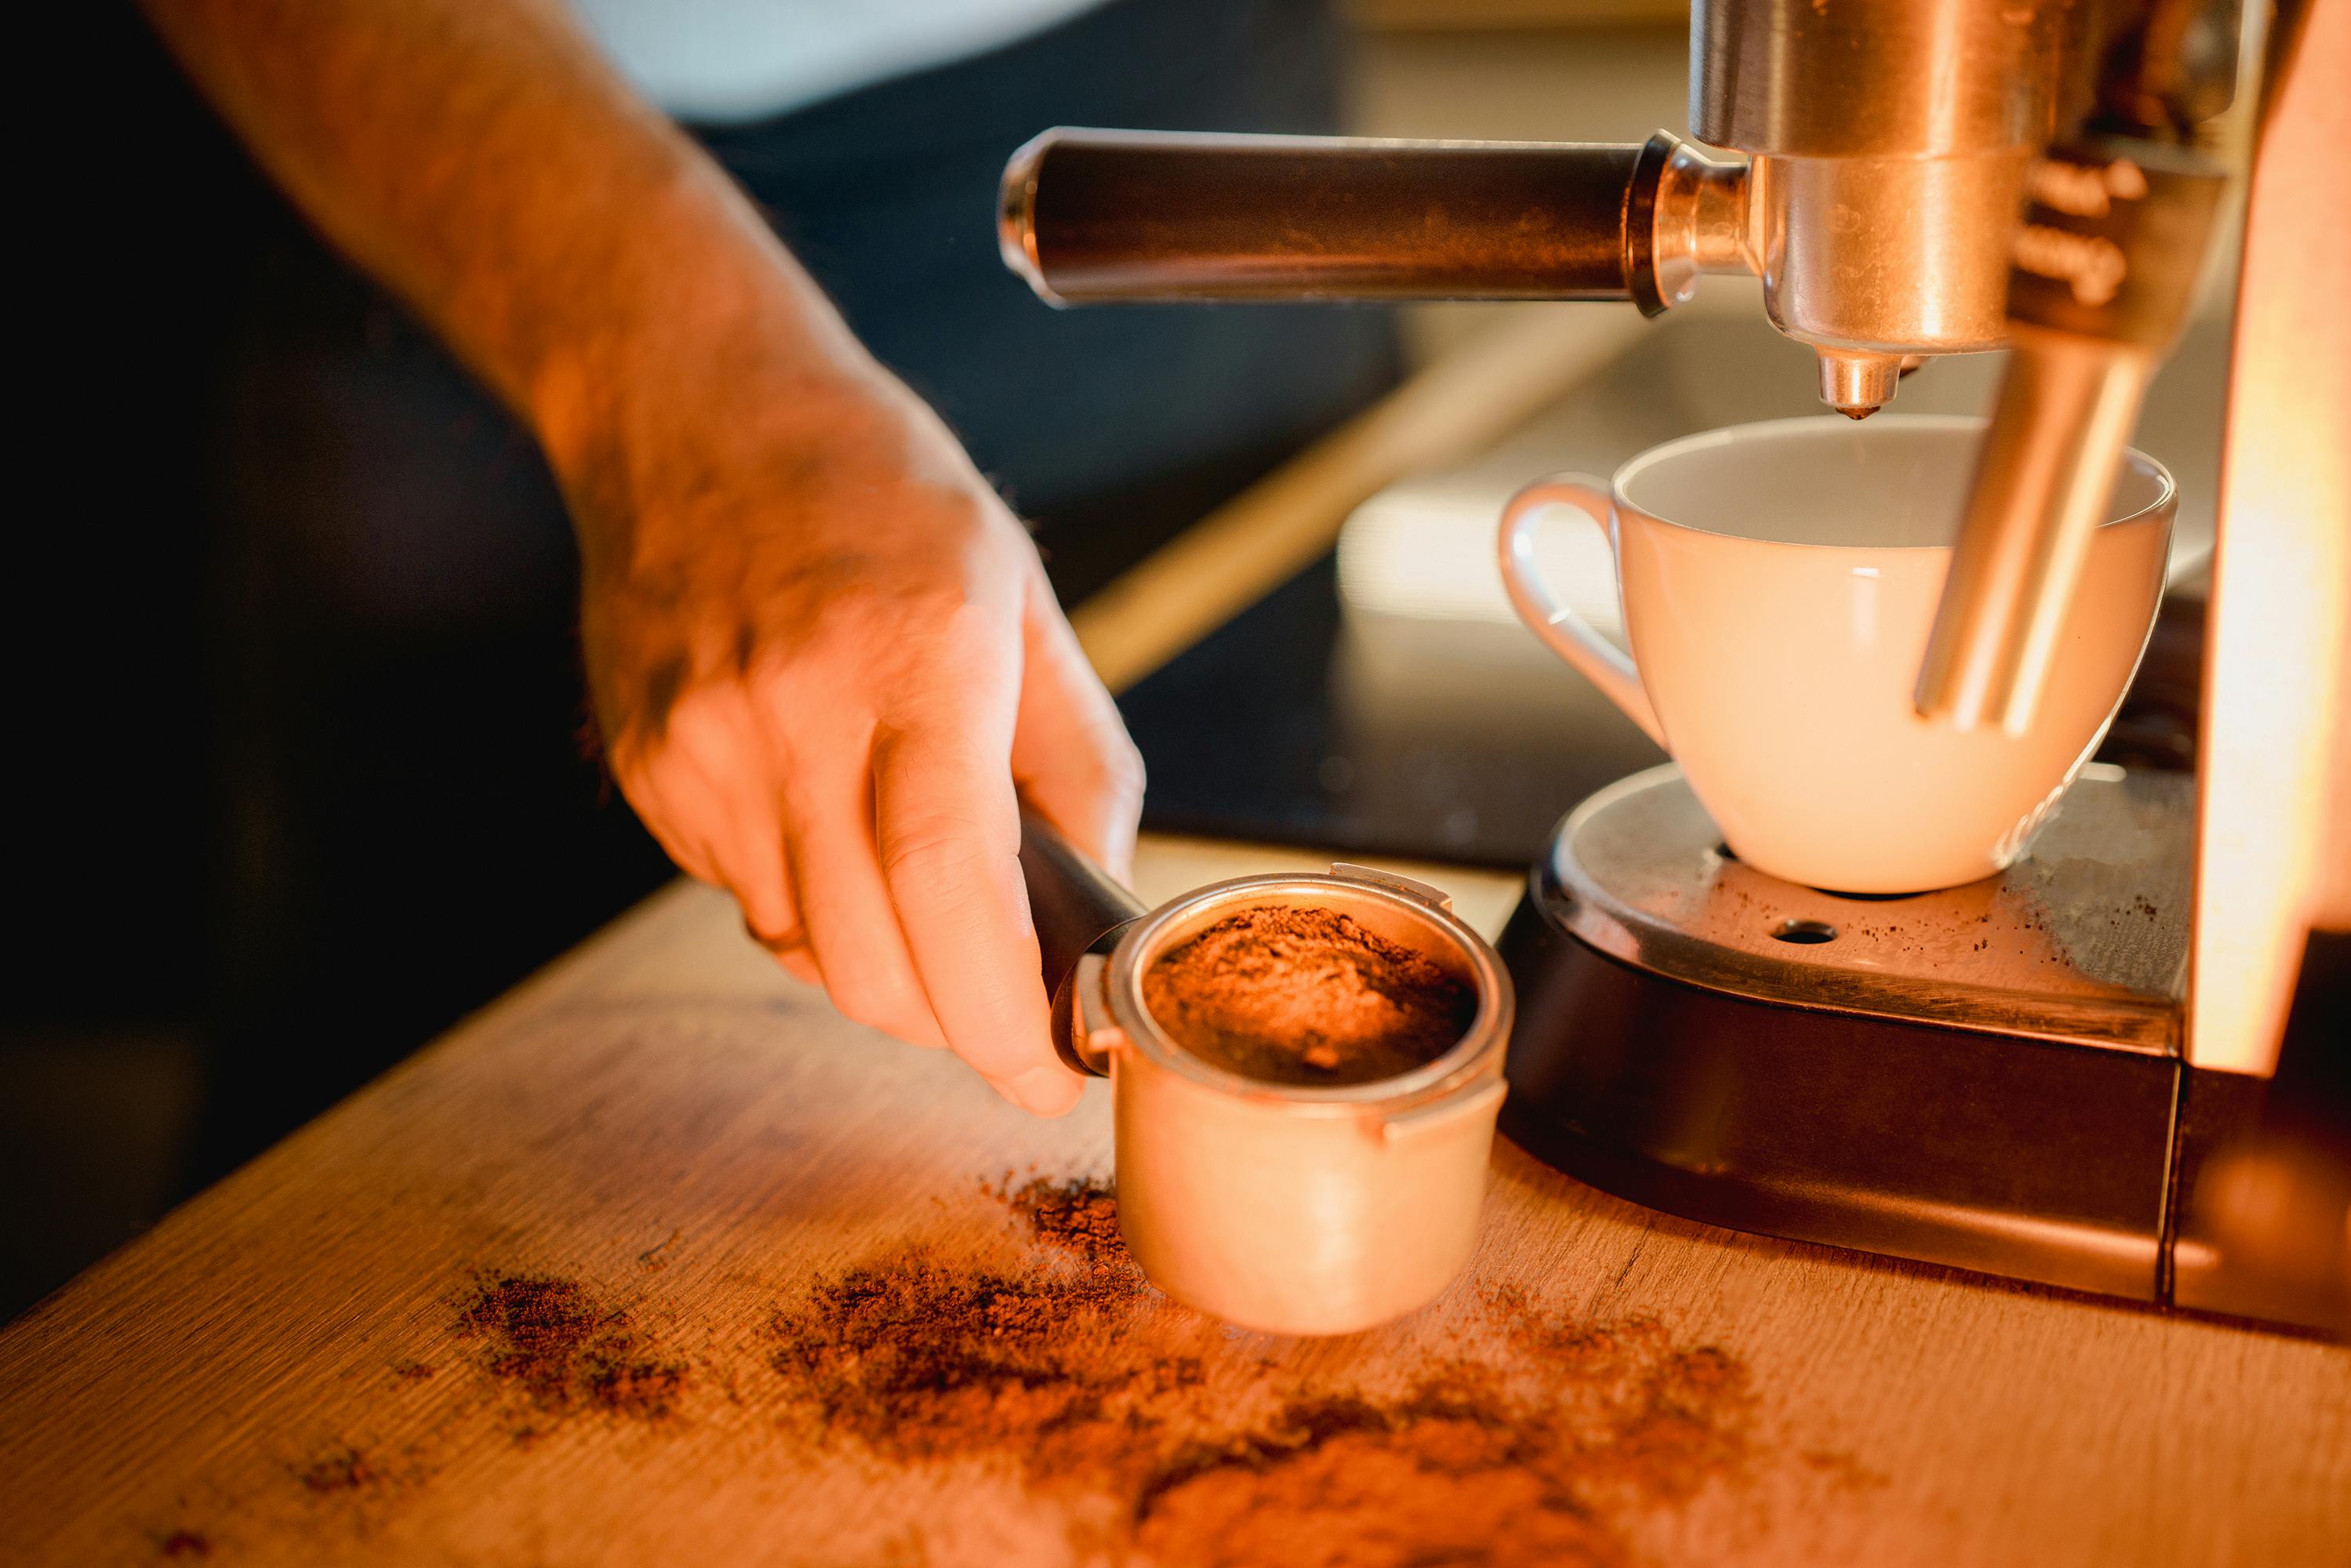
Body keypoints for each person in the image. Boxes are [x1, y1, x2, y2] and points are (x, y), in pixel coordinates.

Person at [132, 0, 1393, 1131]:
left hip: (1156, 107)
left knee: (1172, 860)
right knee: (403, 1070)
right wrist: (678, 380)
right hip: (468, 127)